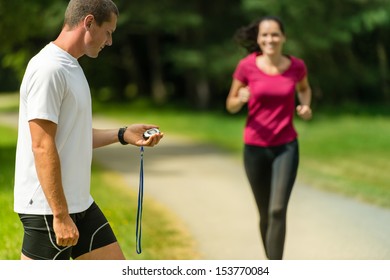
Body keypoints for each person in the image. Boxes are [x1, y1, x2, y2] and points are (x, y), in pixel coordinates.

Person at [13, 0, 163, 260]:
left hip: (79, 202)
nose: (110, 41)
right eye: (109, 32)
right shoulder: (49, 69)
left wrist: (122, 134)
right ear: (89, 22)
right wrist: (60, 215)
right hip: (48, 209)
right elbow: (42, 145)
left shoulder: (72, 66)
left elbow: (74, 136)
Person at [226, 16, 312, 260]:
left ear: (283, 37)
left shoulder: (296, 66)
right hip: (254, 148)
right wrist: (240, 98)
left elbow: (304, 89)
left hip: (286, 147)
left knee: (277, 211)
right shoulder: (246, 66)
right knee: (265, 213)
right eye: (264, 35)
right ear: (258, 39)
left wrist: (305, 106)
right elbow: (230, 104)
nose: (270, 39)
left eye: (275, 34)